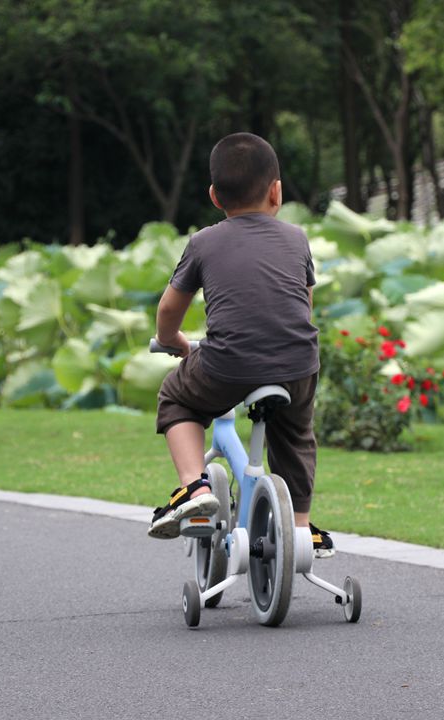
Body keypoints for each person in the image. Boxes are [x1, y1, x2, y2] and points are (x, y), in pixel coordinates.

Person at [148, 132, 334, 558]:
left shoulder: (203, 242)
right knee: (295, 435)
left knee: (176, 397)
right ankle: (300, 528)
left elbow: (170, 308)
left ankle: (193, 489)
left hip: (228, 364)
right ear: (277, 192)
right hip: (297, 364)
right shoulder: (297, 239)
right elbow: (303, 305)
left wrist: (171, 340)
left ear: (215, 196)